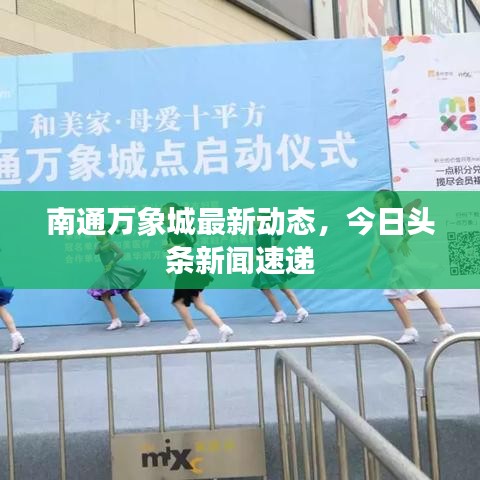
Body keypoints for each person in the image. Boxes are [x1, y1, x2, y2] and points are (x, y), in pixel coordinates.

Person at [365, 190, 455, 344]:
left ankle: (422, 329)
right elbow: (376, 244)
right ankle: (439, 327)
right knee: (404, 295)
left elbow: (416, 222)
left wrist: (405, 240)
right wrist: (369, 263)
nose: (375, 205)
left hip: (406, 263)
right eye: (374, 202)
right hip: (399, 265)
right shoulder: (377, 222)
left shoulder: (393, 215)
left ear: (388, 202)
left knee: (408, 295)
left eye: (377, 201)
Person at [162, 203, 233, 344]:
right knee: (199, 304)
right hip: (188, 269)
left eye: (164, 214)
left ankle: (193, 333)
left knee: (178, 302)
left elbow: (188, 245)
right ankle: (223, 328)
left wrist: (172, 246)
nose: (162, 217)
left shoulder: (176, 229)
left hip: (187, 271)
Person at [87, 225, 150, 331]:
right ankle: (140, 316)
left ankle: (122, 319)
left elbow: (121, 253)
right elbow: (96, 252)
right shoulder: (100, 245)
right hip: (108, 272)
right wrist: (101, 245)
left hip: (114, 271)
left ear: (105, 233)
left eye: (98, 232)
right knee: (110, 295)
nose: (96, 234)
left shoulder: (110, 243)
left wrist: (112, 262)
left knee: (117, 295)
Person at [252, 213, 308, 324]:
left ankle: (281, 313)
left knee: (265, 288)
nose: (253, 221)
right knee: (283, 288)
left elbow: (259, 252)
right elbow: (277, 235)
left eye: (256, 219)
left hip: (269, 264)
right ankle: (300, 310)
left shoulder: (263, 234)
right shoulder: (262, 233)